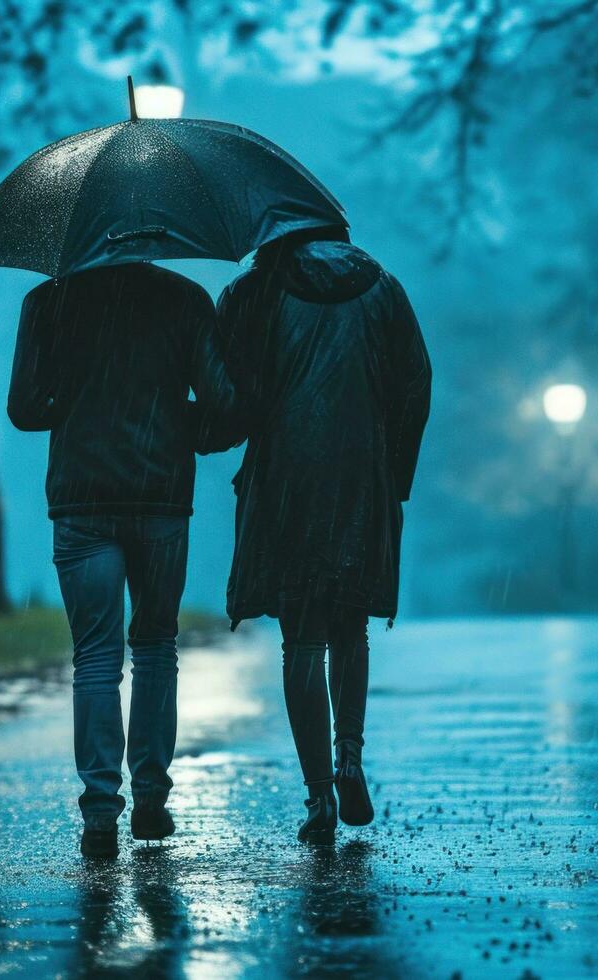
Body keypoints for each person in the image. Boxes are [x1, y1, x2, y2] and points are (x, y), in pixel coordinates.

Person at [7, 262, 237, 861]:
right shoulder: (186, 300)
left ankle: (100, 813)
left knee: (95, 657)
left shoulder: (48, 302)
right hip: (160, 496)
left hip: (81, 497)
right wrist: (174, 425)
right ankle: (153, 800)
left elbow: (25, 409)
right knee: (157, 645)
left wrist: (82, 400)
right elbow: (226, 406)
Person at [214, 225, 431, 845]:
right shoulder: (381, 287)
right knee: (349, 627)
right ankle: (351, 757)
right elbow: (417, 379)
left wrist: (211, 434)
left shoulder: (253, 294)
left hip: (286, 481)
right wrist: (393, 472)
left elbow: (233, 391)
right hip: (361, 475)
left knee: (301, 641)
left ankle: (317, 796)